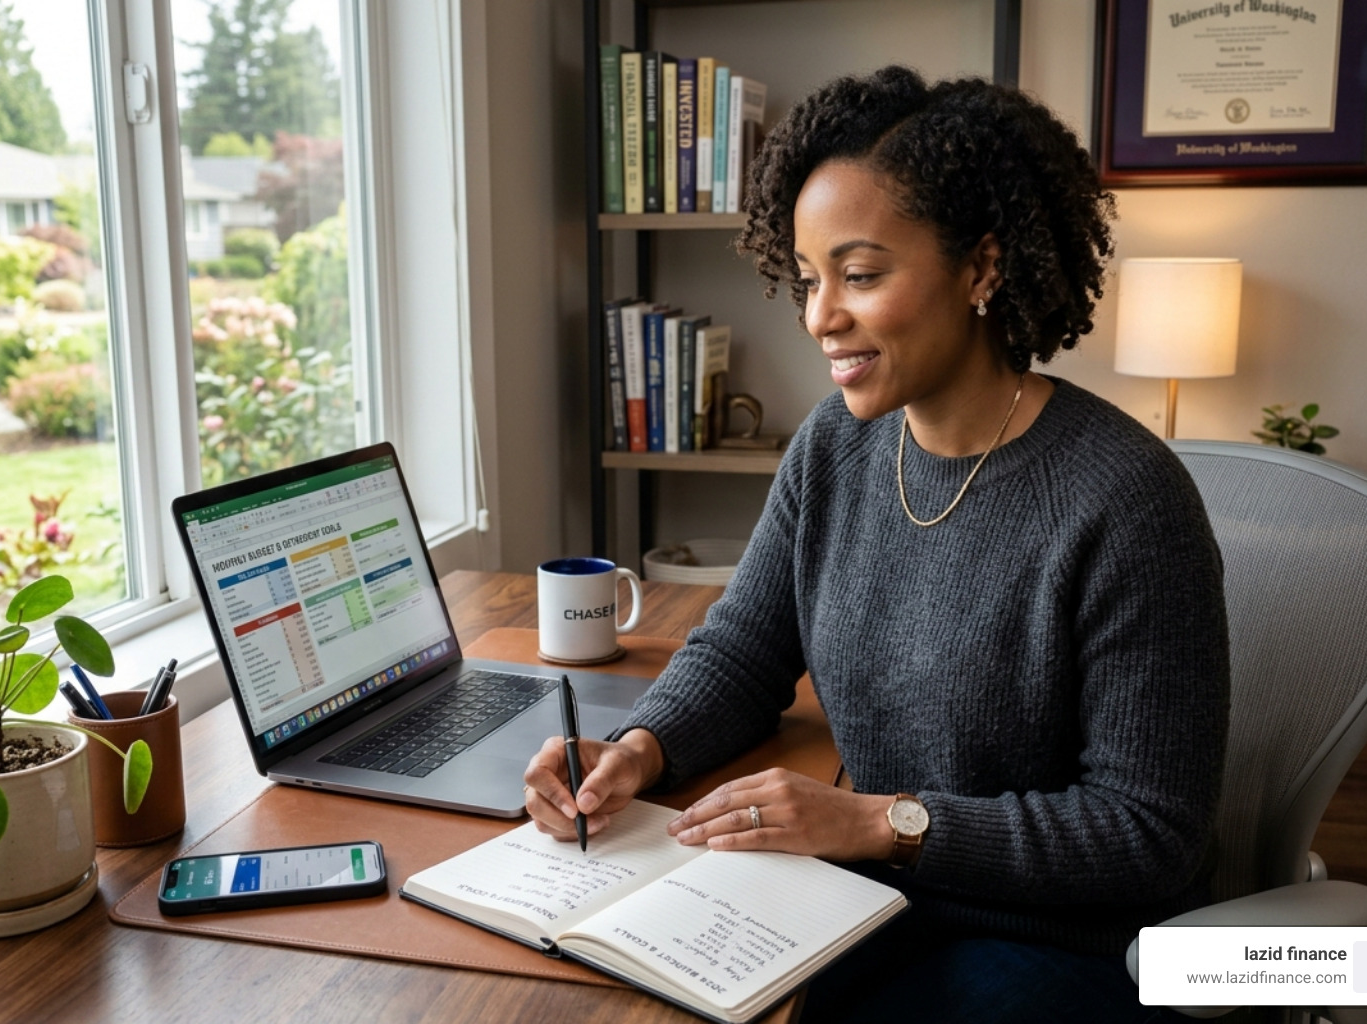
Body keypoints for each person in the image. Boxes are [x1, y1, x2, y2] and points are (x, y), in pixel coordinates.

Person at [525, 66, 1229, 1023]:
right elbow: (745, 648)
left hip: (1067, 946)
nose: (820, 316)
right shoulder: (839, 444)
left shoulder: (1126, 500)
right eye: (809, 279)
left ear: (982, 268)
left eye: (860, 275)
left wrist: (876, 823)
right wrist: (639, 749)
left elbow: (1147, 833)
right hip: (870, 901)